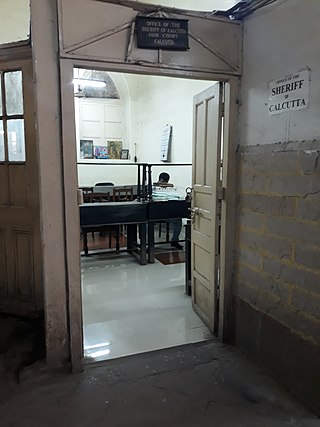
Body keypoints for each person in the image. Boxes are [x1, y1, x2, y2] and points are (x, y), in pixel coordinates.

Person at [155, 172, 183, 250]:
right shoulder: (153, 188)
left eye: (166, 182)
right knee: (147, 223)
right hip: (154, 213)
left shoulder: (170, 188)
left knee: (178, 220)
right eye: (162, 181)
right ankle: (148, 244)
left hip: (166, 213)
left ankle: (174, 241)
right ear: (159, 180)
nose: (164, 183)